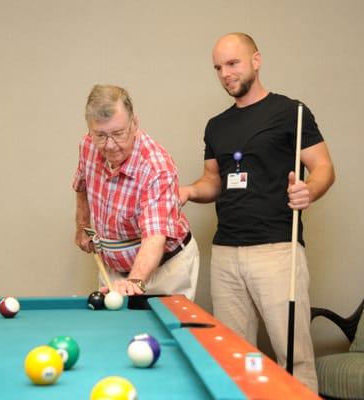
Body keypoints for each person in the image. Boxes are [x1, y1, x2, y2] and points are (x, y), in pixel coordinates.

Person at [180, 33, 335, 391]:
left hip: (277, 250)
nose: (225, 74)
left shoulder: (291, 111)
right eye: (218, 68)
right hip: (226, 254)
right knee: (234, 357)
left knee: (293, 358)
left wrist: (308, 190)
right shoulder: (216, 125)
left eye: (232, 63)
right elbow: (213, 182)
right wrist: (188, 191)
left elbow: (324, 167)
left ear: (256, 60)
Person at [73, 84, 199, 300]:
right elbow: (81, 185)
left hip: (166, 270)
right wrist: (83, 225)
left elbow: (155, 237)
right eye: (100, 135)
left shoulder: (156, 166)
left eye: (118, 133)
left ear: (134, 124)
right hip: (113, 271)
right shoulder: (88, 145)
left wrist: (134, 281)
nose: (110, 145)